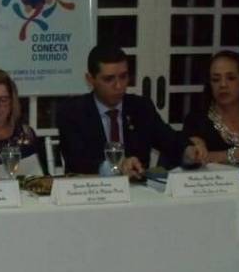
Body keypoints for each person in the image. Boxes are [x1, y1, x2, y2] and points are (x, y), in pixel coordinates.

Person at [57, 44, 207, 177]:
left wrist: (188, 150)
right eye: (109, 79)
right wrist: (117, 166)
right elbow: (76, 161)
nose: (118, 86)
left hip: (137, 190)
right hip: (91, 191)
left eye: (123, 77)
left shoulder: (141, 107)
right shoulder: (72, 112)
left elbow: (169, 140)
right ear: (90, 80)